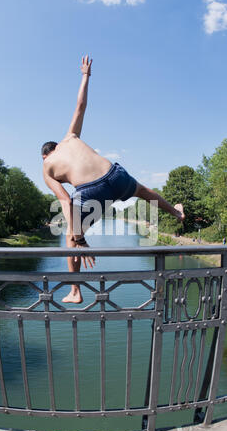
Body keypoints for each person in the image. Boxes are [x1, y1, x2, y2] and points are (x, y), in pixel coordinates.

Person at [42, 55, 185, 303]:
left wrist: (79, 238)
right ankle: (177, 213)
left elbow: (65, 202)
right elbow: (80, 106)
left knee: (68, 236)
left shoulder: (46, 168)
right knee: (143, 191)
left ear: (45, 155)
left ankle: (75, 291)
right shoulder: (70, 137)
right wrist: (85, 76)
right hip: (114, 174)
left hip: (90, 191)